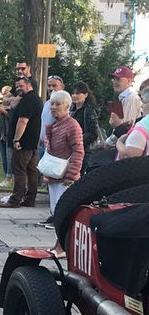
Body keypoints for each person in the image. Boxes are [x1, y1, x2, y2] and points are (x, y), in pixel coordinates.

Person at [43, 90, 83, 257]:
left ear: (67, 106)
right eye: (52, 103)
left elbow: (78, 151)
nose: (53, 107)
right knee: (56, 211)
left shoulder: (72, 125)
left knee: (63, 213)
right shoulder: (55, 124)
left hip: (65, 177)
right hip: (55, 176)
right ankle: (59, 245)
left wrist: (72, 175)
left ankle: (61, 247)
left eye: (58, 104)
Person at [0, 76, 43, 208]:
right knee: (31, 171)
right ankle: (30, 199)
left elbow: (23, 120)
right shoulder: (34, 99)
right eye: (17, 86)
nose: (18, 88)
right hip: (32, 142)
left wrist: (17, 139)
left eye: (21, 86)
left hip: (23, 142)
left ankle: (15, 199)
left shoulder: (28, 100)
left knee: (19, 170)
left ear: (29, 85)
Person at [36, 75, 65, 225]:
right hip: (44, 145)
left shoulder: (65, 105)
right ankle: (53, 212)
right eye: (49, 86)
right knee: (49, 181)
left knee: (57, 183)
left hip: (57, 150)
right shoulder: (47, 103)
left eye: (55, 85)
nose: (51, 89)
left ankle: (58, 215)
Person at [106, 66, 142, 146]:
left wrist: (108, 143)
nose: (114, 82)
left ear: (129, 81)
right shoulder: (124, 97)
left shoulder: (130, 98)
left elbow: (126, 129)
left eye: (118, 79)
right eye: (114, 79)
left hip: (128, 146)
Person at [69, 81, 100, 172]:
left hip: (84, 151)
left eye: (78, 93)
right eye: (73, 93)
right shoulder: (71, 109)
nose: (75, 95)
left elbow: (93, 133)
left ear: (86, 95)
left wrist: (78, 142)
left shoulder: (88, 110)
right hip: (71, 150)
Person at [0, 86, 14, 187]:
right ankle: (6, 175)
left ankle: (9, 177)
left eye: (7, 93)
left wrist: (4, 111)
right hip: (0, 134)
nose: (4, 95)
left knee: (10, 157)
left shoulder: (13, 106)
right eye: (3, 93)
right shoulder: (0, 105)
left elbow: (13, 118)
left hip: (9, 135)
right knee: (3, 158)